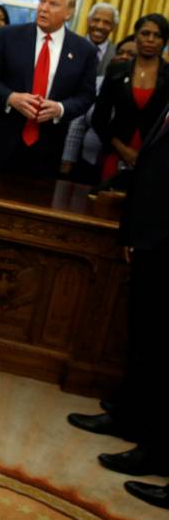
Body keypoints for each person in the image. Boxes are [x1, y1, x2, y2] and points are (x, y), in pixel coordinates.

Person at [66, 100, 169, 506]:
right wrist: (132, 230)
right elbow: (151, 166)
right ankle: (131, 419)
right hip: (151, 238)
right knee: (145, 340)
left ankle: (156, 450)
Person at [0, 0, 98, 178]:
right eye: (41, 1)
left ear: (69, 13)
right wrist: (11, 98)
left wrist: (60, 108)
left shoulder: (84, 50)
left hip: (47, 149)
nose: (43, 8)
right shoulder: (8, 36)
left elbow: (86, 95)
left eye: (53, 4)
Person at [92, 14, 169, 180]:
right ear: (135, 36)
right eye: (145, 33)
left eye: (157, 35)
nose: (150, 39)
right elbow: (99, 118)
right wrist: (123, 150)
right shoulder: (117, 70)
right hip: (115, 153)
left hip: (154, 159)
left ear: (164, 41)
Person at [60, 35, 136, 184]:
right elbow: (77, 125)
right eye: (120, 52)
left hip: (123, 163)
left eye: (131, 54)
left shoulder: (144, 91)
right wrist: (67, 160)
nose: (123, 57)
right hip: (86, 162)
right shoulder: (98, 82)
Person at [86, 2, 120, 76]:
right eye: (96, 20)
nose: (100, 26)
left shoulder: (118, 54)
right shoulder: (72, 46)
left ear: (114, 27)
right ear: (88, 21)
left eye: (106, 23)